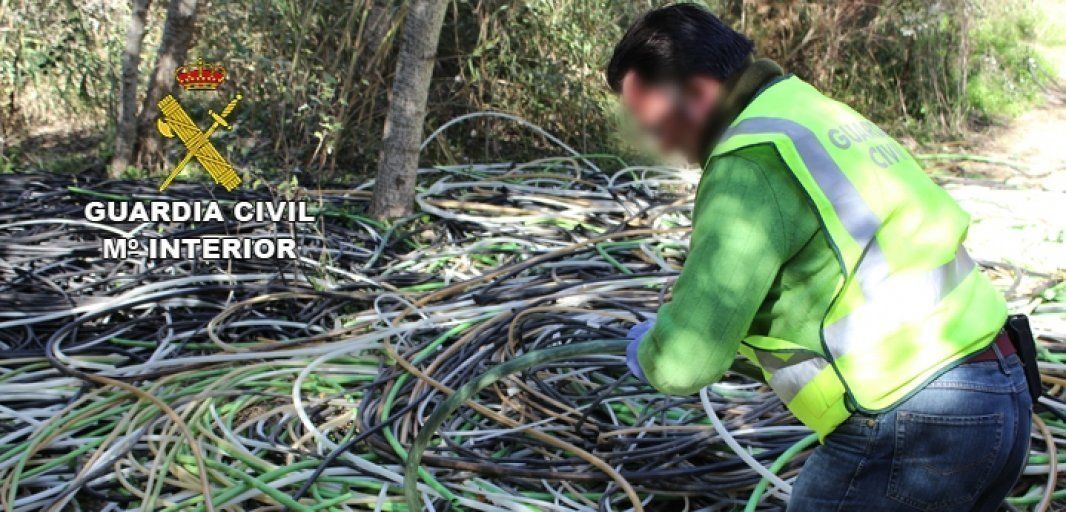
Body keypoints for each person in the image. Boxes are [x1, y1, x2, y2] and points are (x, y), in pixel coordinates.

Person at [609, 4, 1032, 511]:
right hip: (1000, 393)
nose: (658, 142)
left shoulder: (750, 164)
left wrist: (652, 352)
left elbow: (684, 363)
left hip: (917, 422)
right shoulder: (806, 111)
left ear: (699, 93)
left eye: (655, 123)